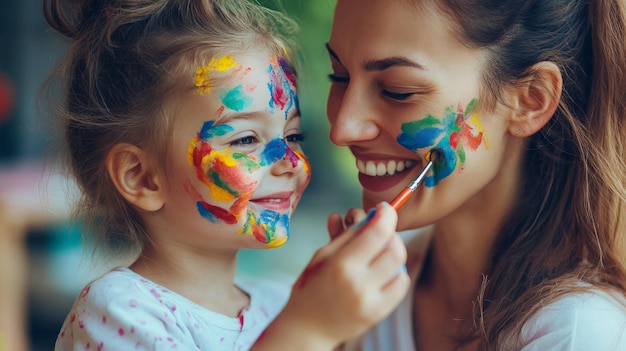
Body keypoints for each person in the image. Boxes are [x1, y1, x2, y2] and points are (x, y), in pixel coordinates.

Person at [42, 0, 410, 350]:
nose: (291, 162)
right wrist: (309, 329)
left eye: (293, 136)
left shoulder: (282, 300)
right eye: (246, 138)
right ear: (142, 178)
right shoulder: (118, 311)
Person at [325, 0, 626, 350]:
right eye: (339, 76)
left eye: (398, 91)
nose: (343, 129)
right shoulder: (359, 291)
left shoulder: (577, 334)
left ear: (530, 99)